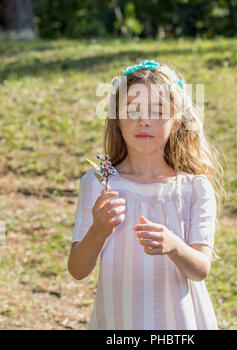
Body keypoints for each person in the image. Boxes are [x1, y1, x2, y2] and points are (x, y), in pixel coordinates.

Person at [68, 59, 226, 330]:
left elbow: (200, 270)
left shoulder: (194, 189)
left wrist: (174, 246)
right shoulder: (99, 185)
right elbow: (78, 270)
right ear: (117, 119)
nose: (143, 120)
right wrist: (98, 230)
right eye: (132, 109)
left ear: (176, 122)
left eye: (157, 110)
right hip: (119, 323)